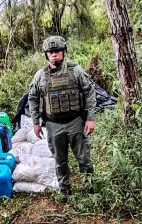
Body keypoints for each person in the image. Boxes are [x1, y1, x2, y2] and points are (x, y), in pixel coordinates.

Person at [28, 36, 96, 199]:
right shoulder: (40, 76)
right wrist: (36, 122)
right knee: (60, 160)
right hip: (53, 124)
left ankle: (91, 188)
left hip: (75, 122)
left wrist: (90, 118)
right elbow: (33, 98)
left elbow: (89, 92)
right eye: (51, 52)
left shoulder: (75, 70)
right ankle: (64, 191)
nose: (54, 55)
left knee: (84, 158)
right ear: (46, 55)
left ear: (63, 52)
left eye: (57, 51)